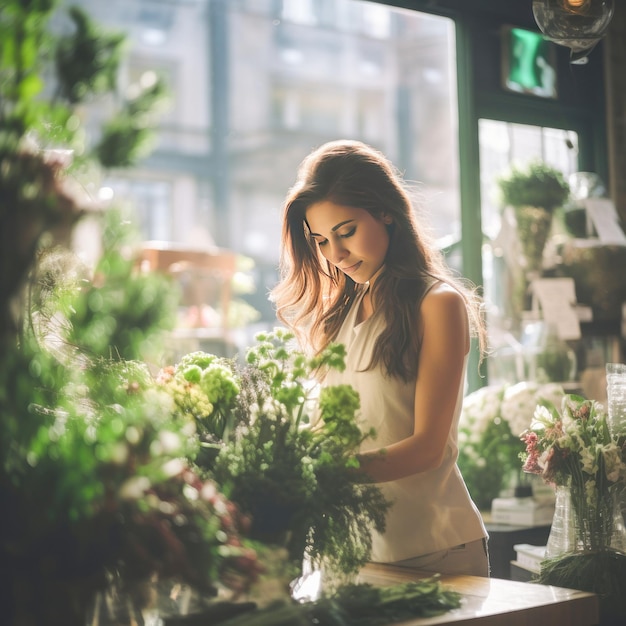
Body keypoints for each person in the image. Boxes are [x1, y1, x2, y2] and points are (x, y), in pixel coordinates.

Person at [271, 139, 490, 578]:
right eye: (321, 241)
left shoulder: (438, 303)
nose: (335, 254)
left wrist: (323, 475)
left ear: (386, 211)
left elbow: (428, 447)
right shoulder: (339, 315)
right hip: (349, 550)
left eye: (346, 231)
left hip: (431, 547)